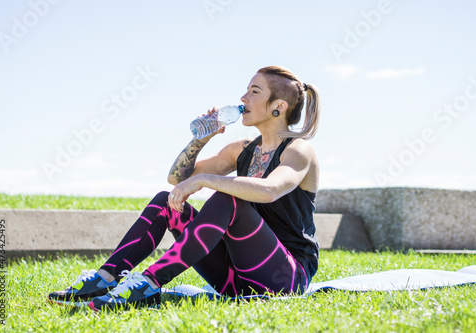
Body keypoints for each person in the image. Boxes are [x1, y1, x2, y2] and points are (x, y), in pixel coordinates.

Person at [48, 65, 321, 311]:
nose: (243, 98)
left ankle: (149, 284)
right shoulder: (243, 149)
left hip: (285, 278)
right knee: (165, 201)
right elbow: (177, 179)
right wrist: (200, 140)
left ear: (279, 106)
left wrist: (205, 181)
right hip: (233, 280)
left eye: (254, 91)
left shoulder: (299, 150)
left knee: (230, 198)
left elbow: (271, 189)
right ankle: (106, 277)